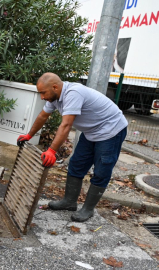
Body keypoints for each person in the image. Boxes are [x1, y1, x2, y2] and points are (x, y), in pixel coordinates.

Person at [17, 73, 128, 222]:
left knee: (102, 170)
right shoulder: (54, 97)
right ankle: (69, 202)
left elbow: (66, 125)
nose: (42, 97)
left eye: (43, 93)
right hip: (91, 132)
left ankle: (88, 209)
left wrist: (51, 151)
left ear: (55, 87)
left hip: (111, 131)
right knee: (77, 164)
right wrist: (29, 135)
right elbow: (43, 116)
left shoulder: (73, 94)